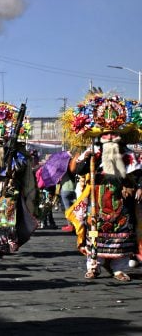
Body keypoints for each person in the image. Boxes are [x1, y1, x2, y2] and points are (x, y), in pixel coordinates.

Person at [63, 91, 141, 281]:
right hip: (96, 198)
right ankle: (93, 266)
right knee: (93, 232)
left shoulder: (128, 154)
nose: (110, 137)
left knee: (122, 232)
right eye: (106, 134)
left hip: (121, 200)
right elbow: (78, 171)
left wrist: (137, 187)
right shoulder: (93, 152)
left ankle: (119, 268)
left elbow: (138, 173)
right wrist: (85, 160)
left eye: (114, 134)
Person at [0, 102, 38, 255]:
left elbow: (22, 166)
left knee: (9, 219)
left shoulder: (14, 154)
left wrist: (12, 170)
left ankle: (12, 238)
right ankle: (2, 244)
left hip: (8, 190)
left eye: (0, 141)